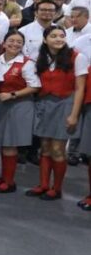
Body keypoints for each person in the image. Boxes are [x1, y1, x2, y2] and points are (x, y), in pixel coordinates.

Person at [29, 26, 86, 200]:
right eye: (54, 36)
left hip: (65, 105)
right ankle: (44, 184)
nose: (59, 39)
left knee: (58, 149)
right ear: (45, 40)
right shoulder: (39, 58)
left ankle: (57, 187)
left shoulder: (77, 57)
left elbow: (80, 88)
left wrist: (74, 115)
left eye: (62, 36)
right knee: (44, 147)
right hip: (44, 104)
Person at [0, 31, 40, 194]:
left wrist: (13, 94)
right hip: (3, 106)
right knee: (4, 144)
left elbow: (35, 86)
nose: (15, 44)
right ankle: (4, 176)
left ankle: (9, 182)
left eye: (19, 42)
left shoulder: (26, 63)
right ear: (4, 43)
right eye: (11, 41)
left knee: (10, 145)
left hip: (19, 106)